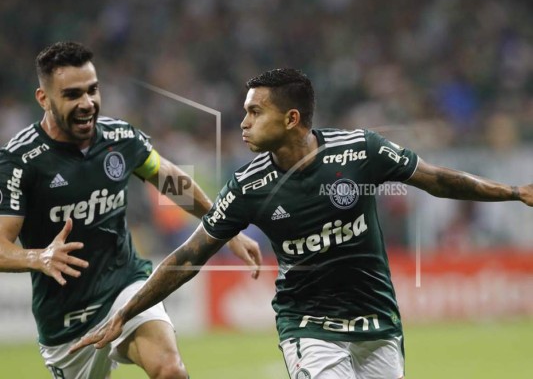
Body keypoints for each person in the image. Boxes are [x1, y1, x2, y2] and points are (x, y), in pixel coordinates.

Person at [70, 68, 533, 379]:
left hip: (378, 324)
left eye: (255, 112)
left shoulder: (360, 151)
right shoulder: (249, 185)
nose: (243, 122)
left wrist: (512, 191)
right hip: (310, 327)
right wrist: (125, 314)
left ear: (291, 119)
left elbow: (438, 180)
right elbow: (189, 255)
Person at [0, 41, 261, 379]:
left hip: (125, 286)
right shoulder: (19, 161)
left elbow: (169, 179)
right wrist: (39, 258)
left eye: (92, 90)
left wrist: (223, 227)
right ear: (43, 99)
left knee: (170, 370)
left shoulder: (120, 138)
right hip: (65, 319)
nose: (87, 103)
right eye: (72, 95)